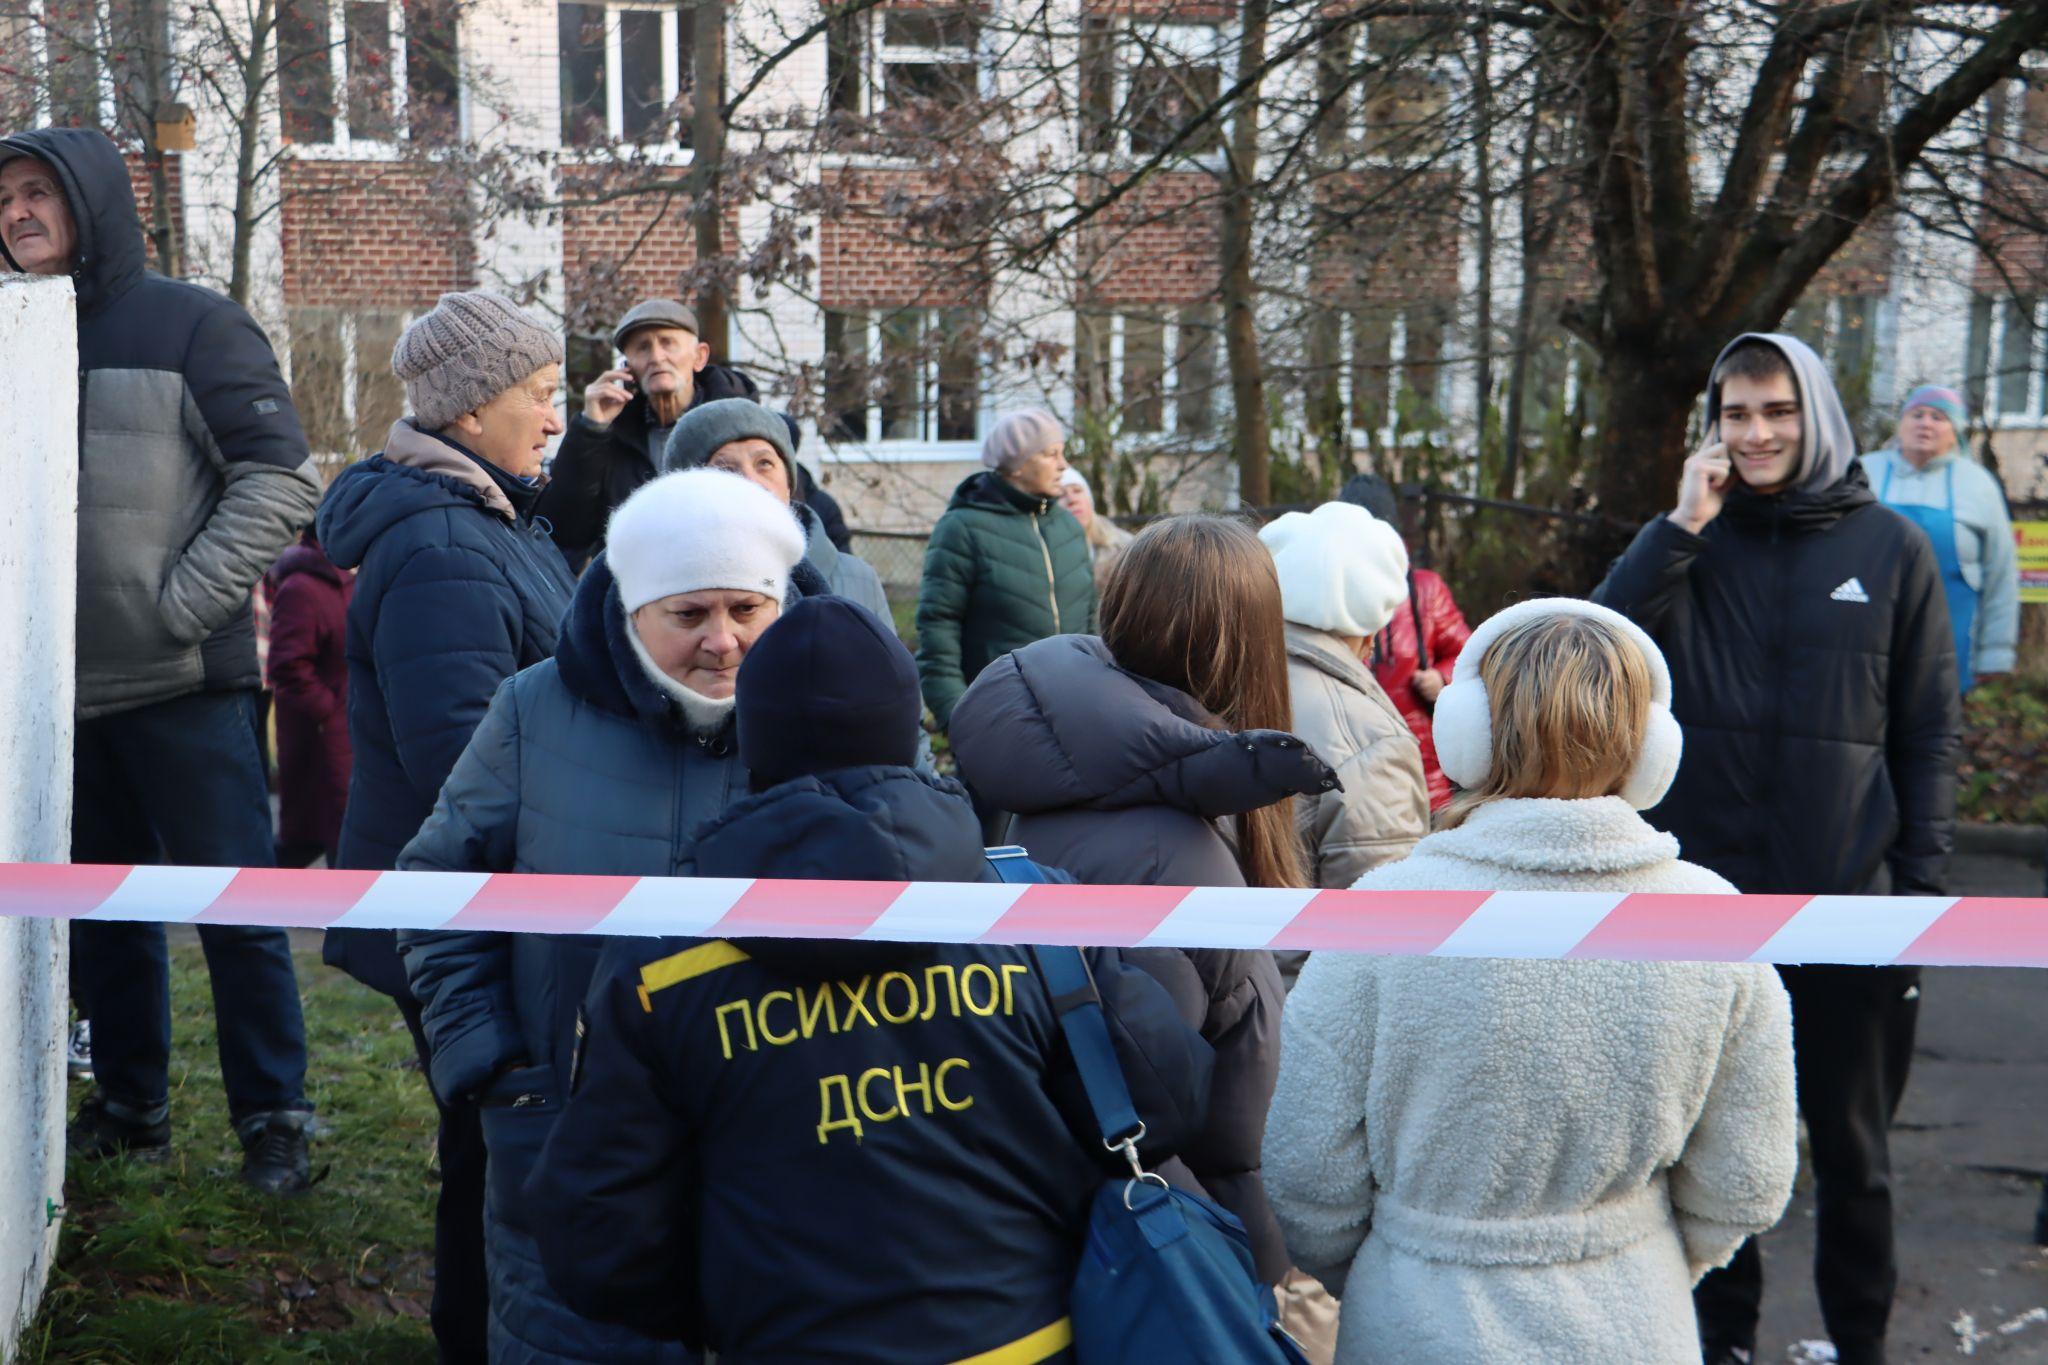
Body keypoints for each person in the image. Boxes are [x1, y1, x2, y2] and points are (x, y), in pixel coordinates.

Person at [525, 595, 1215, 1361]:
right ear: (906, 731)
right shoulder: (1032, 912)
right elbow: (1170, 1098)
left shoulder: (664, 956)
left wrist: (735, 1301)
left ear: (754, 739)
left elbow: (599, 1233)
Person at [1265, 599, 1799, 1365]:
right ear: (1652, 747)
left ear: (1468, 735)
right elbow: (1747, 1180)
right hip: (1635, 1322)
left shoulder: (1386, 911)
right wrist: (1637, 1256)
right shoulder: (1713, 920)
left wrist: (1396, 1267)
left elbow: (1306, 1168)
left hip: (1417, 1324)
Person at [398, 469, 820, 1365]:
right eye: (690, 613)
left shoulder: (837, 716)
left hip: (783, 1149)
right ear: (632, 609)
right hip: (567, 1144)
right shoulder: (532, 710)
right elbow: (436, 887)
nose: (724, 641)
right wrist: (498, 1070)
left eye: (748, 609)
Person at [1594, 333, 1959, 1365]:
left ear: (1816, 417)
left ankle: (1859, 1344)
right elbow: (1596, 653)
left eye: (1775, 411)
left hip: (1849, 912)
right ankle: (1723, 1345)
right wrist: (1676, 527)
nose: (1754, 434)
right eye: (1735, 413)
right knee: (1707, 1156)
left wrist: (1916, 896)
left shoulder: (1890, 549)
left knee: (1853, 1157)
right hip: (1700, 913)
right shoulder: (1686, 540)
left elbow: (1927, 733)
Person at [3, 127, 322, 1192]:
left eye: (38, 192)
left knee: (233, 909)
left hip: (184, 682)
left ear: (91, 200)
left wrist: (180, 604)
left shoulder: (190, 323)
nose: (18, 215)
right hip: (54, 696)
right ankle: (132, 1104)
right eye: (4, 200)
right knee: (102, 919)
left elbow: (278, 477)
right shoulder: (9, 339)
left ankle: (274, 1118)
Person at [947, 514, 1338, 1297]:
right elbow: (1177, 1112)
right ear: (1248, 648)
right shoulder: (1175, 855)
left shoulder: (1050, 778)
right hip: (1172, 1254)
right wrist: (1256, 1282)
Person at [315, 289, 577, 1363]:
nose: (557, 417)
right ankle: (473, 1337)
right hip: (472, 914)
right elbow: (460, 762)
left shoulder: (486, 516)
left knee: (496, 1141)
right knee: (493, 1144)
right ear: (470, 411)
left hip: (492, 902)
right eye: (540, 395)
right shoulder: (443, 548)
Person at [1260, 500, 1429, 894]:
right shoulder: (1370, 742)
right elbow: (1378, 930)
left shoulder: (1214, 680)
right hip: (1302, 956)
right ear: (1369, 631)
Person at [533, 298, 758, 565]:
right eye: (642, 348)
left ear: (699, 357)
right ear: (628, 368)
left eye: (667, 343)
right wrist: (591, 429)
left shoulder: (744, 427)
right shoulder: (612, 436)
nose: (656, 357)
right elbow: (564, 530)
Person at [915, 408, 1096, 737]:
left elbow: (1091, 620)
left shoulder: (1068, 528)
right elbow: (938, 630)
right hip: (999, 723)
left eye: (1063, 453)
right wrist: (960, 722)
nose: (1063, 465)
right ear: (1018, 464)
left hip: (1076, 717)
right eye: (1050, 454)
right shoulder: (963, 528)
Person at [661, 397, 892, 623]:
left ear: (789, 483)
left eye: (764, 464)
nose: (752, 483)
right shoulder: (660, 589)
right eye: (725, 470)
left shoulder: (857, 579)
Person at [1859, 385, 2020, 693]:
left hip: (1949, 643)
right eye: (1917, 414)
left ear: (1954, 431)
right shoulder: (1864, 471)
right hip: (1864, 637)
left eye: (1938, 417)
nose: (1925, 423)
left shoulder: (1978, 485)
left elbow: (2000, 573)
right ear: (1901, 424)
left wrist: (1995, 654)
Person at [1337, 473, 1472, 811]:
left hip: (1423, 771)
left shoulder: (1425, 591)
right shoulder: (1329, 596)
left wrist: (1441, 677)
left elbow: (1468, 655)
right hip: (1350, 764)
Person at [266, 531, 353, 869]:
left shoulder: (349, 577)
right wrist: (328, 711)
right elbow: (287, 666)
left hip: (346, 733)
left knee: (342, 832)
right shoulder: (302, 587)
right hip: (321, 738)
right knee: (316, 835)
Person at [1059, 466, 1135, 592]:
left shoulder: (1124, 545)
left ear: (1089, 498)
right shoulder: (1045, 553)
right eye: (1061, 495)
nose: (1072, 500)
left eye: (1077, 491)